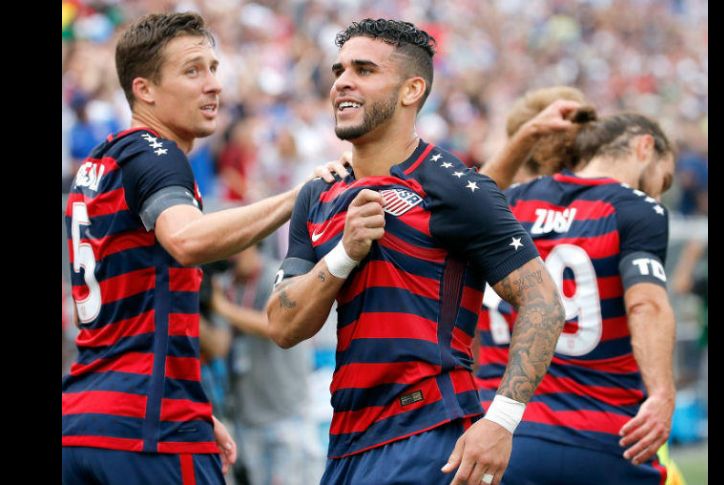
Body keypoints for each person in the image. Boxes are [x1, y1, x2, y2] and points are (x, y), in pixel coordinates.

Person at [266, 19, 566, 485]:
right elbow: (283, 326)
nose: (342, 81)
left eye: (364, 70)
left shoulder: (454, 186)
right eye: (339, 69)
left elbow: (543, 300)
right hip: (348, 441)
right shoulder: (318, 194)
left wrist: (502, 420)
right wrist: (344, 254)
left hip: (429, 432)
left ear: (411, 90)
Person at [62, 12, 345, 484]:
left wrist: (190, 400)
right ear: (144, 89)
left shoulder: (99, 162)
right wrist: (300, 195)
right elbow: (187, 239)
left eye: (214, 68)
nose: (213, 85)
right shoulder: (157, 154)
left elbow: (133, 315)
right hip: (148, 427)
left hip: (85, 420)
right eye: (193, 70)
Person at [476, 111, 678, 485]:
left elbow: (465, 206)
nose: (657, 192)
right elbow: (645, 304)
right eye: (661, 179)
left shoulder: (512, 200)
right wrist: (663, 394)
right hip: (604, 437)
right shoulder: (636, 209)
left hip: (498, 433)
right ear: (644, 146)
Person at [211, 245, 322, 485]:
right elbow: (219, 344)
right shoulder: (224, 286)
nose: (232, 252)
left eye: (239, 245)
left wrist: (223, 308)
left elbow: (274, 326)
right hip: (248, 418)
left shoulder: (281, 276)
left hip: (288, 412)